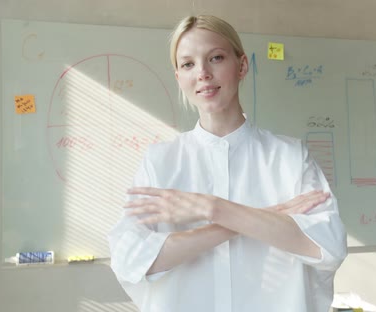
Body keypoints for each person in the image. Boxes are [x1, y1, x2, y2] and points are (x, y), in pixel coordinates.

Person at [108, 15, 347, 312]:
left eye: (216, 58)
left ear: (242, 65)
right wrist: (262, 217)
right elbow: (130, 258)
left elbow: (328, 247)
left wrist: (211, 208)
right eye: (188, 64)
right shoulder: (160, 161)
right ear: (179, 78)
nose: (203, 73)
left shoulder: (290, 157)